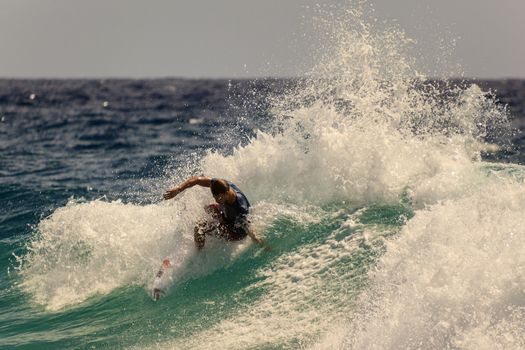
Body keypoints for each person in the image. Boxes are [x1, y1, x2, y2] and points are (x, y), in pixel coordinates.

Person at [163, 176, 267, 252]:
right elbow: (197, 180)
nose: (217, 200)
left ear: (226, 193)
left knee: (199, 227)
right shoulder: (221, 185)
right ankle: (203, 238)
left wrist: (265, 247)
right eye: (215, 197)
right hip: (226, 214)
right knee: (208, 208)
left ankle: (198, 254)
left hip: (235, 232)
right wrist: (178, 189)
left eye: (219, 198)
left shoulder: (240, 207)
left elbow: (251, 233)